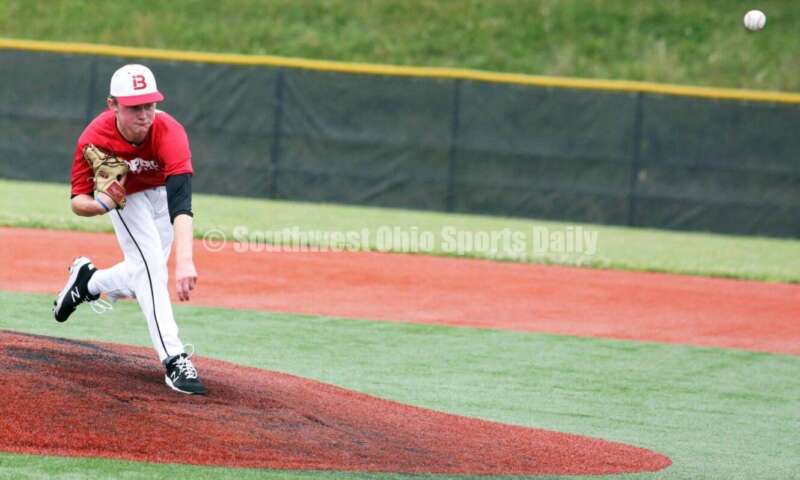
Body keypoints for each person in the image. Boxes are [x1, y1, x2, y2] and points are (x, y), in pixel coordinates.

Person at [53, 64, 206, 395]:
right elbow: (77, 200)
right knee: (151, 269)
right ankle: (174, 357)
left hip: (163, 195)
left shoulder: (169, 131)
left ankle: (88, 281)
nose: (145, 114)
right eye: (135, 106)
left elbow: (182, 201)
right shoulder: (94, 137)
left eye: (150, 104)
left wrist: (185, 260)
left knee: (142, 278)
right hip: (125, 199)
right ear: (113, 105)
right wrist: (103, 204)